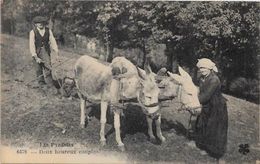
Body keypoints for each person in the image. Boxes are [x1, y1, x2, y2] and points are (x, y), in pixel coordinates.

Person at [194, 58, 228, 159]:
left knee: (213, 128)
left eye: (204, 68)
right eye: (200, 68)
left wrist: (193, 101)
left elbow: (205, 96)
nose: (202, 70)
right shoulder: (202, 78)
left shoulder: (214, 80)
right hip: (207, 105)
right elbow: (200, 92)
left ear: (209, 68)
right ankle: (203, 146)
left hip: (216, 107)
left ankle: (214, 152)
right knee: (202, 125)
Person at [29, 16, 59, 92]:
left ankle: (50, 84)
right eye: (38, 23)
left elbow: (53, 42)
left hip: (46, 51)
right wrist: (35, 57)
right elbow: (31, 45)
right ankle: (41, 84)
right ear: (35, 24)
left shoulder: (48, 31)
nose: (40, 24)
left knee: (48, 67)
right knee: (38, 69)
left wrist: (56, 52)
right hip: (37, 52)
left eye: (42, 22)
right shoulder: (33, 32)